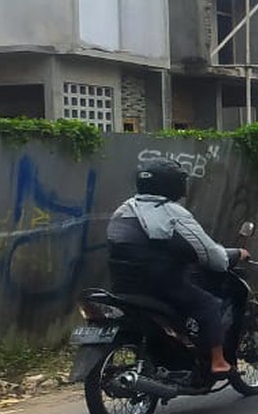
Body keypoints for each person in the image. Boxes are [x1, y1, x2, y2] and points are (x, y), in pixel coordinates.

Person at [106, 158, 249, 382]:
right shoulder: (171, 212)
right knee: (208, 304)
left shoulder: (124, 209)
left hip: (123, 285)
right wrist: (236, 254)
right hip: (160, 285)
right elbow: (212, 255)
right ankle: (219, 362)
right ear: (172, 184)